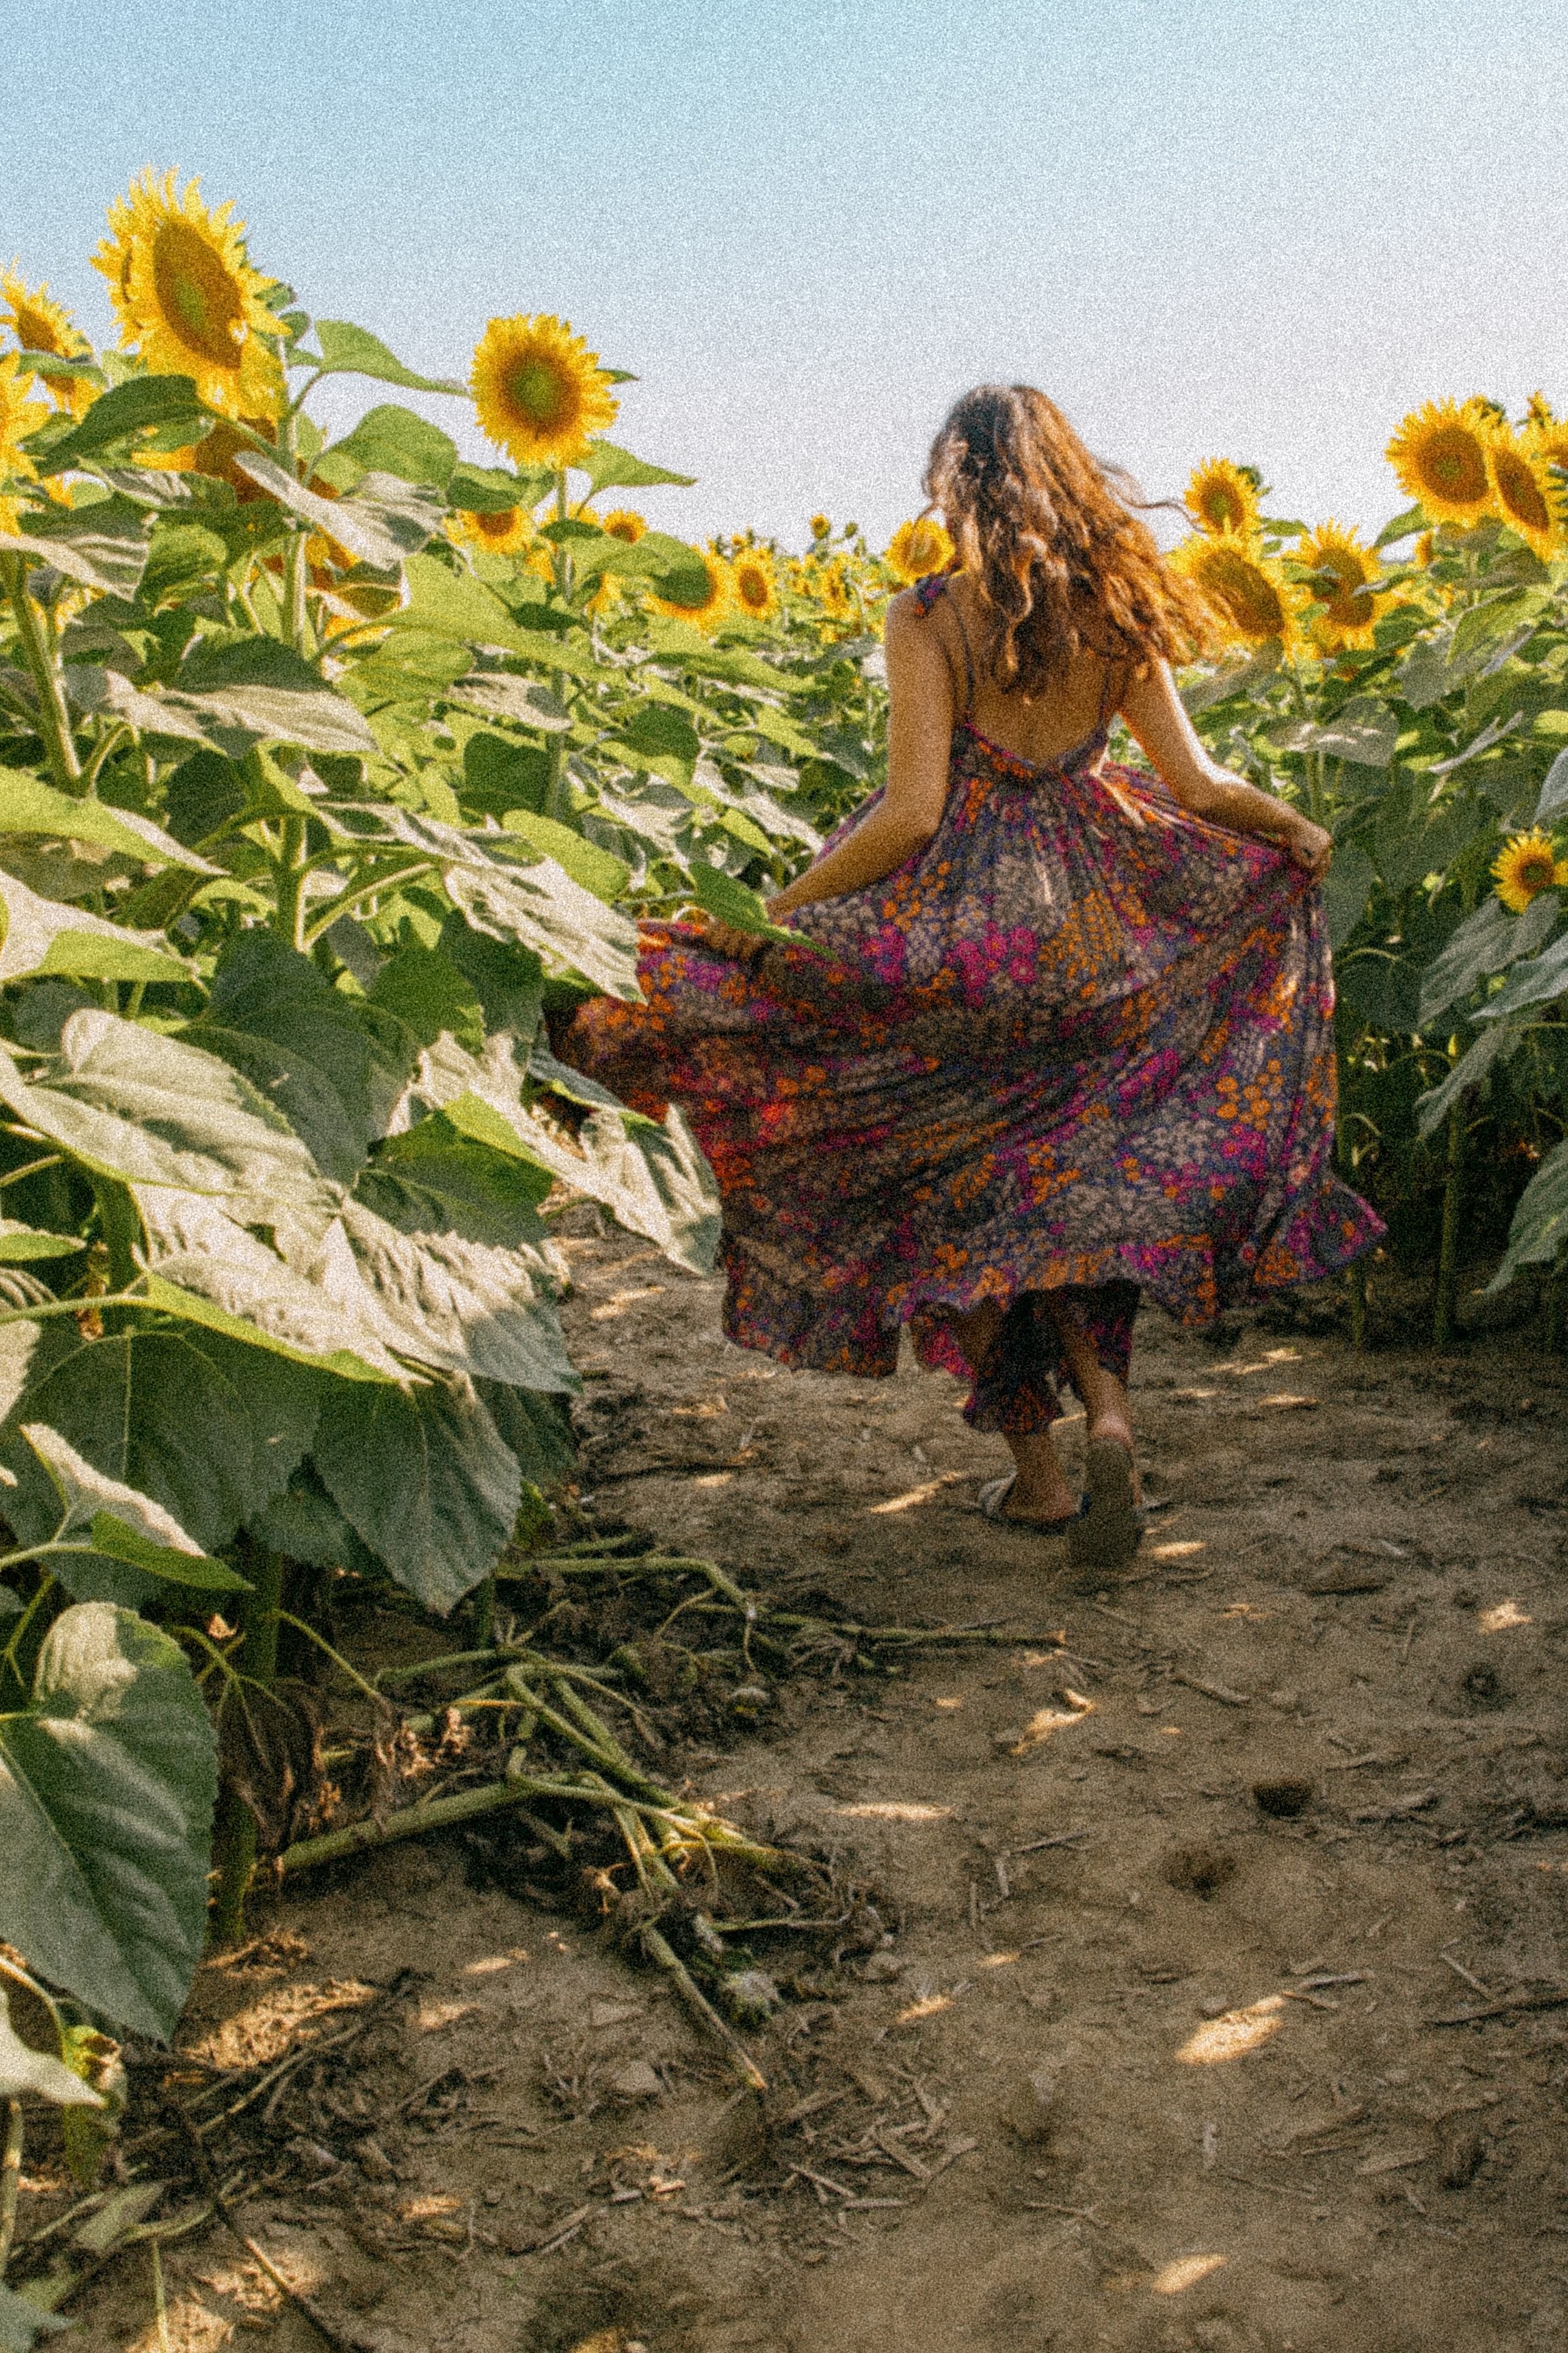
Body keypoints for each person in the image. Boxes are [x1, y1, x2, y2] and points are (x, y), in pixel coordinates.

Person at [559, 384, 1382, 1566]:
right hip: (1102, 938)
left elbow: (908, 815)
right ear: (1069, 476)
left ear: (956, 481)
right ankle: (1106, 1414)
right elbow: (1199, 790)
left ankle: (1040, 1476)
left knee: (943, 1193)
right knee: (1059, 1197)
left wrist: (775, 920)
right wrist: (1293, 832)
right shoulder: (1116, 615)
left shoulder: (931, 616)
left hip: (958, 941)